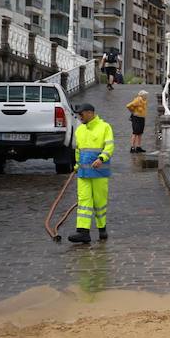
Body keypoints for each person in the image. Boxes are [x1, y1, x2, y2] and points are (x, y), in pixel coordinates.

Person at [68, 103, 115, 244]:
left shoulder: (104, 127)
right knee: (84, 202)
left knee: (99, 202)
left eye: (81, 114)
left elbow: (110, 146)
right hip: (83, 173)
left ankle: (102, 228)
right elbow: (78, 150)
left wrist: (102, 158)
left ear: (90, 113)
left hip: (99, 173)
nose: (79, 117)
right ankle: (83, 232)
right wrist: (76, 165)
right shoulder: (80, 130)